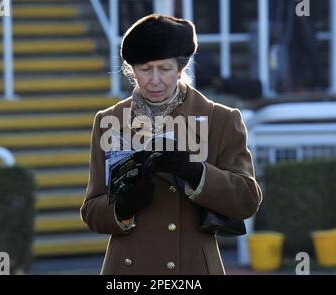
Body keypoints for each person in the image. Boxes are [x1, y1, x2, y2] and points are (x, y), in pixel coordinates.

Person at [80, 14, 262, 275]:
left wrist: (196, 172)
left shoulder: (220, 119)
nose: (154, 80)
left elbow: (247, 199)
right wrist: (122, 208)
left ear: (180, 68)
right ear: (131, 70)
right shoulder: (109, 121)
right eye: (145, 69)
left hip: (191, 267)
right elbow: (91, 210)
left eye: (164, 69)